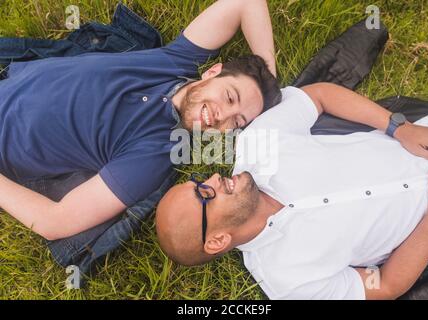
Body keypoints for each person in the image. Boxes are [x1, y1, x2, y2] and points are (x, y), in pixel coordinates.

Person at [0, 0, 280, 241]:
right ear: (212, 72)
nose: (223, 117)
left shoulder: (154, 156)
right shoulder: (176, 60)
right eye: (230, 98)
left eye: (238, 121)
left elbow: (56, 222)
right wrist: (269, 77)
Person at [156, 82, 428, 299]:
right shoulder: (288, 282)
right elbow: (384, 284)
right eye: (206, 194)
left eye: (200, 181)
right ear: (217, 240)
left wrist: (400, 128)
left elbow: (318, 96)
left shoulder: (257, 144)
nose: (215, 178)